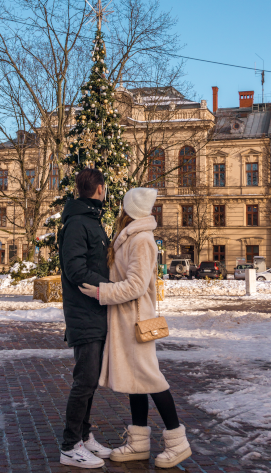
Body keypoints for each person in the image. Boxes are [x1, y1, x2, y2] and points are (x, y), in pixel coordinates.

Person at [79, 187, 192, 469]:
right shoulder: (131, 237)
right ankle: (139, 443)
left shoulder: (141, 239)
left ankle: (178, 442)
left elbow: (136, 286)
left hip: (137, 321)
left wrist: (100, 293)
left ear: (129, 209)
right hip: (127, 320)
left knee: (151, 380)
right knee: (137, 383)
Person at [58, 168, 112, 469]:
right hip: (84, 312)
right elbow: (75, 269)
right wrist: (110, 287)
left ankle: (84, 435)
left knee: (90, 381)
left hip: (95, 311)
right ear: (100, 189)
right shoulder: (79, 222)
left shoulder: (89, 220)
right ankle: (69, 445)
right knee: (85, 381)